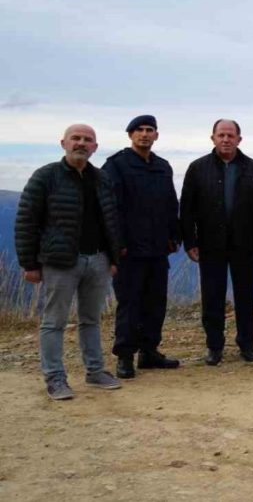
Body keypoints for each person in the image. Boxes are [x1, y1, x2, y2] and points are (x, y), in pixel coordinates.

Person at [14, 124, 124, 400]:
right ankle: (55, 378)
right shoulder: (46, 176)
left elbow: (110, 220)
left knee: (91, 319)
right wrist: (29, 264)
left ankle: (95, 371)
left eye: (88, 140)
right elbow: (27, 220)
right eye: (76, 138)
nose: (81, 143)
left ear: (95, 148)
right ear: (63, 142)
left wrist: (112, 257)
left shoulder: (101, 179)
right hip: (60, 262)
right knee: (54, 322)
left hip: (97, 259)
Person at [180, 119, 253, 366]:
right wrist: (190, 241)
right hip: (210, 243)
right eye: (221, 135)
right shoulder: (197, 168)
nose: (226, 139)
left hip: (245, 244)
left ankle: (247, 344)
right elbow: (187, 209)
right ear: (213, 138)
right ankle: (214, 346)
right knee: (212, 297)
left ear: (239, 139)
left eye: (230, 135)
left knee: (245, 297)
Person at [102, 115, 181, 379]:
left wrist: (174, 235)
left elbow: (171, 204)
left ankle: (149, 352)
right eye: (139, 130)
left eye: (150, 130)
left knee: (156, 302)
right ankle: (125, 356)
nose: (145, 135)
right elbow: (111, 209)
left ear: (156, 136)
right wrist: (117, 245)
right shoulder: (116, 165)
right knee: (129, 303)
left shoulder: (162, 166)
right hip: (129, 250)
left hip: (158, 248)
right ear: (130, 135)